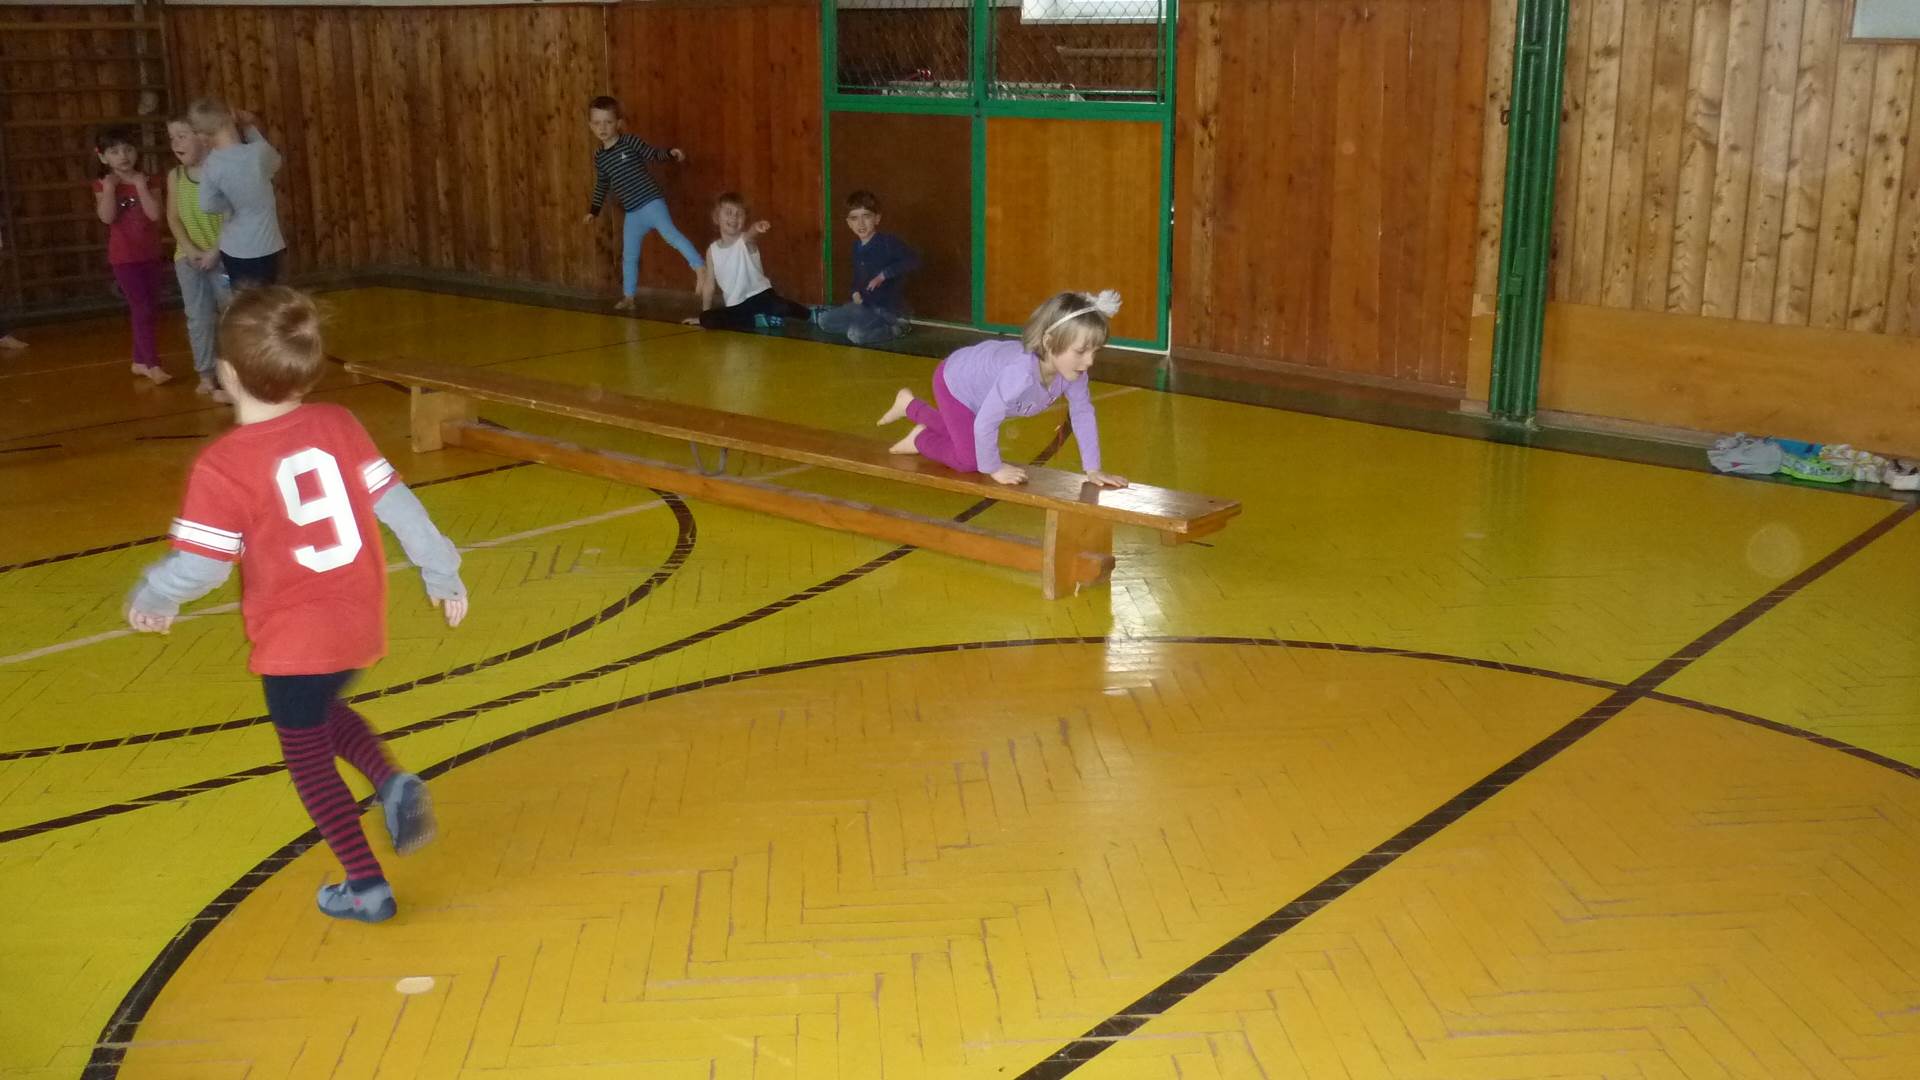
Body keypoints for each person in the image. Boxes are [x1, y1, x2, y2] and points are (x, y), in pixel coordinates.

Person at [125, 287, 470, 924]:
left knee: (307, 759)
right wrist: (442, 570)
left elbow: (203, 567)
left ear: (226, 373)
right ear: (307, 370)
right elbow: (401, 507)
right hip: (357, 623)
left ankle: (365, 886)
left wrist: (156, 593)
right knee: (318, 712)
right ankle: (391, 782)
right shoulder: (339, 424)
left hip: (294, 637)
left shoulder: (222, 465)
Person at [877, 290, 1129, 489]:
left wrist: (1093, 469)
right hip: (956, 384)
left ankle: (909, 406)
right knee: (969, 461)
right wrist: (994, 468)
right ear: (1049, 342)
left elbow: (1082, 413)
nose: (1090, 361)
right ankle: (920, 438)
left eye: (1095, 351)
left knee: (967, 438)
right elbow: (986, 422)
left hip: (981, 392)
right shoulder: (1019, 374)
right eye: (1081, 351)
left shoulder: (1074, 373)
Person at [580, 95, 703, 310]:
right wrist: (594, 211)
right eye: (597, 123)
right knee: (629, 254)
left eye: (608, 122)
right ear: (591, 126)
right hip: (633, 212)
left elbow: (652, 153)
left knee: (671, 236)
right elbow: (602, 184)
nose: (603, 128)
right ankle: (629, 297)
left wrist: (670, 153)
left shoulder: (629, 142)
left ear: (618, 123)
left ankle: (700, 268)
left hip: (651, 202)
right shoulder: (600, 156)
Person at [92, 125, 169, 384]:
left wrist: (140, 186)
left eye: (127, 149)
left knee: (150, 308)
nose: (123, 156)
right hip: (124, 258)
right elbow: (106, 217)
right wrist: (109, 190)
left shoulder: (149, 180)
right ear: (103, 157)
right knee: (141, 308)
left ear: (136, 151)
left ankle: (139, 361)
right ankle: (153, 364)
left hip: (151, 254)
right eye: (114, 152)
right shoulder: (103, 184)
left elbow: (155, 215)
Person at [165, 114, 232, 401]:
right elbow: (173, 217)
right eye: (172, 138)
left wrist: (215, 250)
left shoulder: (219, 171)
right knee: (198, 317)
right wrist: (190, 250)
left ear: (202, 138)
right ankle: (205, 373)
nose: (175, 143)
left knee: (230, 314)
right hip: (188, 258)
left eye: (182, 136)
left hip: (222, 255)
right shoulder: (176, 176)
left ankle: (233, 373)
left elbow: (230, 214)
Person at [191, 97, 285, 288]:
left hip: (232, 247)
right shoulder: (257, 153)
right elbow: (276, 163)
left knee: (242, 298)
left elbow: (207, 205)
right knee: (266, 299)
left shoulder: (211, 164)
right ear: (232, 116)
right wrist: (249, 127)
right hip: (264, 244)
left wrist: (230, 204)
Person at [684, 192, 811, 332]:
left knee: (780, 306)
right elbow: (709, 284)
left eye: (739, 214)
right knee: (708, 319)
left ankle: (811, 314)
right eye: (729, 212)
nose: (734, 217)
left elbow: (751, 234)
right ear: (716, 217)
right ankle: (760, 320)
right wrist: (704, 314)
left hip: (761, 296)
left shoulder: (745, 241)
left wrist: (756, 227)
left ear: (745, 219)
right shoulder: (712, 251)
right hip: (737, 305)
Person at [814, 189, 918, 346]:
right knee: (824, 321)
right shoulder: (856, 247)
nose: (860, 224)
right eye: (854, 218)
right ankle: (864, 324)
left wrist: (883, 275)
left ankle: (896, 328)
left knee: (857, 335)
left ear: (877, 218)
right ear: (849, 223)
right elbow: (858, 278)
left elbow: (912, 260)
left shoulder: (888, 242)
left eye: (866, 216)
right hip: (865, 306)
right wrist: (855, 291)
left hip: (887, 310)